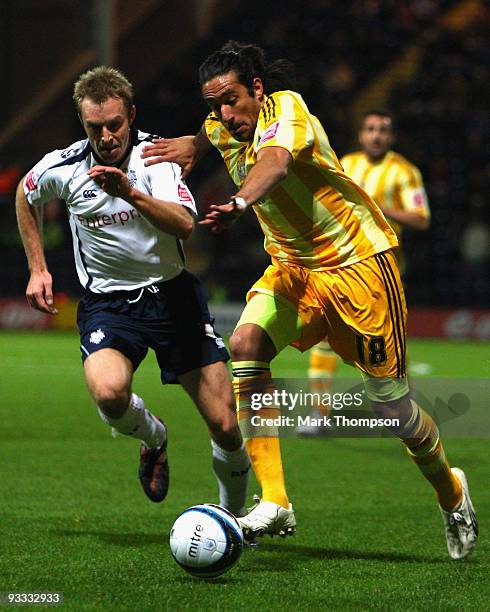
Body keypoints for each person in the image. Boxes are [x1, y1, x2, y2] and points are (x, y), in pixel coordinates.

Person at [141, 41, 477, 559]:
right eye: (215, 107)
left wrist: (237, 201)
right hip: (295, 271)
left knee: (395, 407)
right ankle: (275, 500)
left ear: (258, 89)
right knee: (246, 343)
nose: (225, 115)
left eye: (232, 100)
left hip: (358, 267)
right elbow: (211, 136)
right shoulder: (220, 127)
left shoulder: (288, 109)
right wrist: (193, 143)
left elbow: (273, 163)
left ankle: (451, 493)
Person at [15, 66, 250, 516]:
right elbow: (25, 196)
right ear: (83, 125)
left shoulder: (156, 158)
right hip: (108, 303)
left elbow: (185, 223)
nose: (106, 136)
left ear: (132, 115)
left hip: (173, 298)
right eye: (94, 127)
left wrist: (130, 194)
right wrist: (37, 268)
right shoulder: (63, 166)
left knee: (224, 424)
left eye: (114, 124)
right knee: (108, 393)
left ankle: (236, 520)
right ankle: (153, 436)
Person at [301, 109, 431, 435]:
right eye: (370, 129)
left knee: (386, 345)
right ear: (361, 134)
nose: (376, 135)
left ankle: (404, 410)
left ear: (392, 136)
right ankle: (320, 415)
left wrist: (377, 206)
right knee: (325, 337)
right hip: (341, 263)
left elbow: (421, 218)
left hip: (382, 270)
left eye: (383, 130)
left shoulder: (405, 172)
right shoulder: (347, 163)